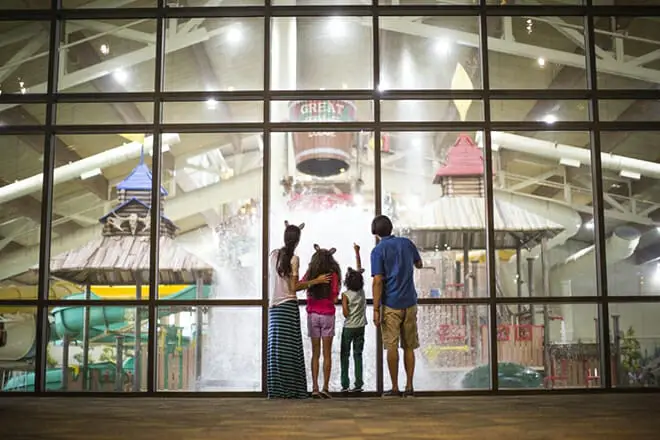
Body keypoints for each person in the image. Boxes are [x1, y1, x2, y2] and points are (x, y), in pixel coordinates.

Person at [267, 221, 330, 399]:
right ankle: (293, 389)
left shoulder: (273, 255)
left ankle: (277, 390)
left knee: (277, 350)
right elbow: (294, 287)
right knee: (290, 350)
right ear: (297, 241)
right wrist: (316, 281)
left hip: (274, 309)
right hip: (288, 306)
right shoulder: (294, 259)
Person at [370, 215, 423, 398]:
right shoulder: (407, 243)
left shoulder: (378, 250)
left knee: (391, 346)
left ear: (375, 232)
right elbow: (419, 264)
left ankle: (394, 388)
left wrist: (375, 309)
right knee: (409, 346)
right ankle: (409, 387)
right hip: (410, 302)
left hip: (391, 304)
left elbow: (377, 281)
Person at [303, 244, 341, 399]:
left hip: (312, 316)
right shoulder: (333, 275)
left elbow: (300, 284)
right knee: (327, 354)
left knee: (315, 353)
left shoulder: (311, 273)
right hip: (328, 316)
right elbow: (335, 298)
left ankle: (315, 388)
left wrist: (314, 282)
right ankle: (325, 387)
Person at [340, 243, 367, 393]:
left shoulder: (345, 295)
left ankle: (345, 384)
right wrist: (357, 252)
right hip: (360, 327)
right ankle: (358, 384)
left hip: (349, 328)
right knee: (358, 355)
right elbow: (359, 270)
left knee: (345, 355)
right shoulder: (361, 291)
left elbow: (345, 313)